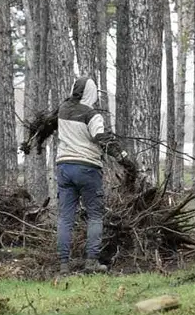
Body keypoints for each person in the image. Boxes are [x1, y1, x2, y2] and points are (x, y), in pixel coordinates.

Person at [56, 76, 138, 274]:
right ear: (90, 94)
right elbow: (101, 138)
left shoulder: (63, 110)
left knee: (65, 217)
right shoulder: (92, 115)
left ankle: (63, 264)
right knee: (95, 216)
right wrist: (123, 157)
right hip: (87, 168)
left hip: (64, 167)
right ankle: (91, 261)